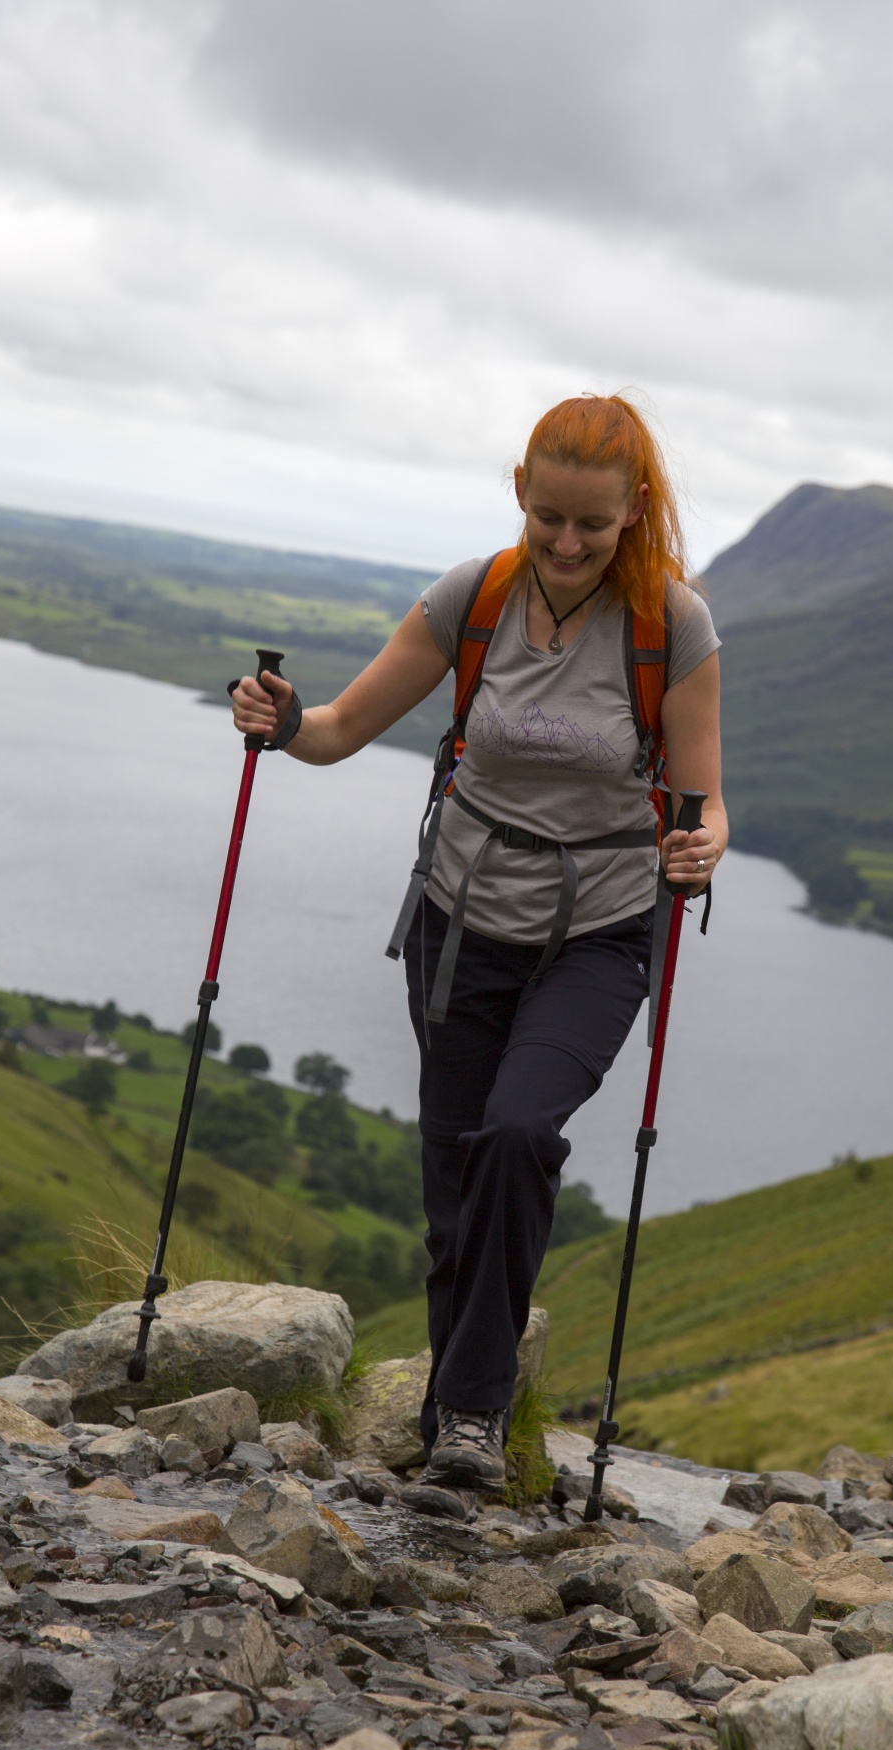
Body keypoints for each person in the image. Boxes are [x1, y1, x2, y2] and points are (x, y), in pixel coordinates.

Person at [231, 394, 726, 1495]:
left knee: (514, 1133)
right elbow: (339, 731)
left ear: (631, 512)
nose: (564, 543)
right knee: (452, 1179)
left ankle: (467, 1412)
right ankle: (454, 1412)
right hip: (456, 925)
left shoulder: (669, 623)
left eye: (591, 526)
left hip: (598, 933)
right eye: (547, 516)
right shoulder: (475, 597)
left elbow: (703, 803)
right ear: (519, 491)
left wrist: (700, 851)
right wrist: (282, 715)